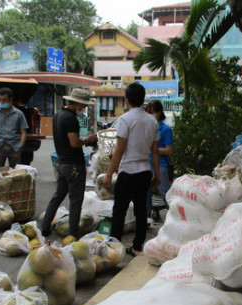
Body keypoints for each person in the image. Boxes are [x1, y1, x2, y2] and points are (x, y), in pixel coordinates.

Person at [104, 82, 160, 256]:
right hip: (145, 172)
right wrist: (157, 175)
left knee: (119, 211)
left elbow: (119, 150)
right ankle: (137, 247)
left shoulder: (125, 119)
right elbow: (155, 151)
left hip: (128, 171)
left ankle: (114, 250)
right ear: (143, 100)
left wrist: (108, 174)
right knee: (141, 211)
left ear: (126, 99)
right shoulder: (152, 121)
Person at [41, 88, 97, 239]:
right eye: (83, 106)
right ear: (78, 104)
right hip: (74, 164)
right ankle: (73, 233)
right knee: (76, 201)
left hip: (62, 162)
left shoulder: (58, 115)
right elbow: (74, 142)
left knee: (58, 196)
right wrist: (88, 140)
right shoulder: (71, 119)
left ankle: (45, 227)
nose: (83, 109)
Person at [145, 99, 174, 224]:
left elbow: (169, 150)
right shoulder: (146, 127)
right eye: (148, 112)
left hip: (161, 165)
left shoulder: (165, 129)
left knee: (165, 193)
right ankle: (146, 219)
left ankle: (175, 216)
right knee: (146, 195)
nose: (150, 115)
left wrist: (154, 149)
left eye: (152, 112)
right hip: (146, 164)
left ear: (159, 112)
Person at [0, 87, 28, 168]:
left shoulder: (19, 114)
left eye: (4, 100)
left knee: (15, 173)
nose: (1, 102)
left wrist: (20, 146)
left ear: (11, 99)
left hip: (14, 146)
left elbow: (23, 131)